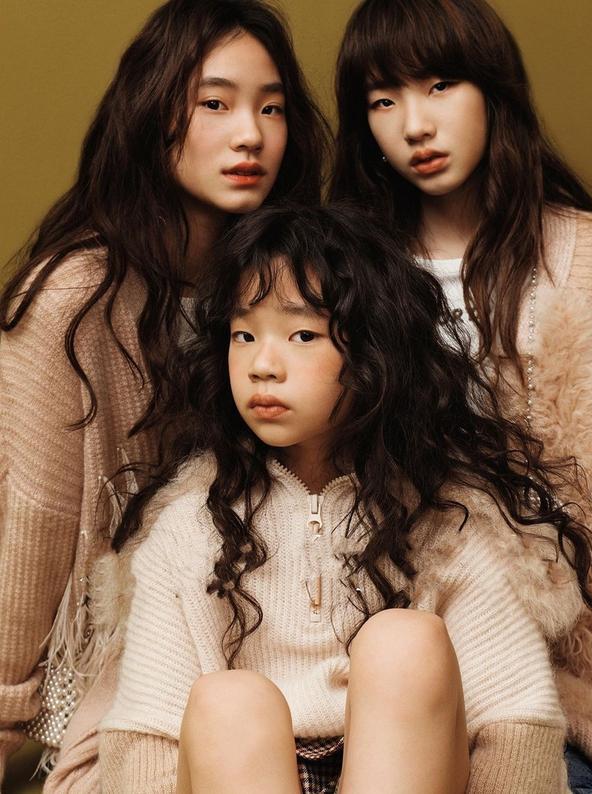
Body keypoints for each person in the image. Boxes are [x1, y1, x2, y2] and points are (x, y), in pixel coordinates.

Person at [97, 203, 592, 793]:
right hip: (245, 776)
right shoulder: (190, 524)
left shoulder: (449, 514)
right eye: (243, 335)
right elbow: (146, 738)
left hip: (411, 773)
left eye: (302, 335)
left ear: (373, 353)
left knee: (404, 642)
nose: (262, 365)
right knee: (228, 701)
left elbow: (513, 719)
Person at [0, 0, 330, 788]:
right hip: (139, 664)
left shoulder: (301, 279)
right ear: (153, 115)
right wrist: (6, 708)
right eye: (214, 104)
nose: (250, 135)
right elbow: (33, 522)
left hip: (284, 644)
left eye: (272, 108)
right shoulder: (75, 296)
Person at [332, 0, 592, 788]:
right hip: (435, 669)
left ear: (493, 88)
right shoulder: (342, 276)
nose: (415, 125)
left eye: (440, 85)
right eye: (383, 101)